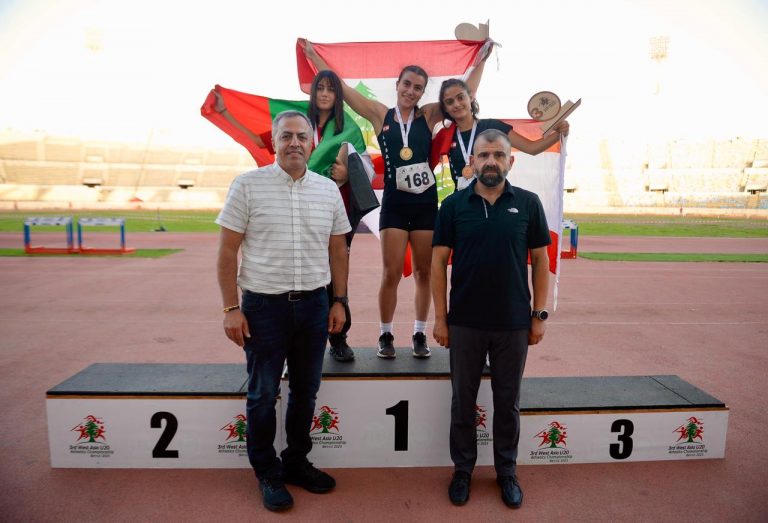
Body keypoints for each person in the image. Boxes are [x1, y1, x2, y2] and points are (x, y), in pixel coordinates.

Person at [301, 38, 491, 359]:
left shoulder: (428, 115)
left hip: (425, 203)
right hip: (395, 204)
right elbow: (343, 89)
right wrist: (314, 57)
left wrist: (481, 61)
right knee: (390, 273)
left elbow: (465, 93)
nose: (411, 91)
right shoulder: (380, 114)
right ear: (398, 85)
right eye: (407, 84)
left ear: (422, 92)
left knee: (423, 273)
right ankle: (385, 334)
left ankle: (418, 333)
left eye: (418, 87)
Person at [216, 110, 351, 512]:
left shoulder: (328, 190)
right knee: (262, 394)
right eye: (286, 136)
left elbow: (338, 250)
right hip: (263, 308)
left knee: (306, 391)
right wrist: (231, 308)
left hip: (314, 306)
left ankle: (295, 461)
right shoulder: (247, 185)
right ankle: (267, 472)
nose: (294, 142)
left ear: (312, 143)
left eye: (301, 136)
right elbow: (227, 251)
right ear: (274, 142)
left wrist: (339, 300)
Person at [210, 71, 375, 363]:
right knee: (295, 266)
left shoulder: (347, 126)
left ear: (338, 95)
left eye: (331, 89)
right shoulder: (295, 121)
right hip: (290, 197)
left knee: (335, 267)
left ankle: (338, 338)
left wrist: (347, 172)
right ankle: (284, 336)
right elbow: (260, 141)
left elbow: (363, 165)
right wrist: (226, 114)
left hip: (330, 202)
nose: (325, 94)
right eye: (320, 88)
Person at [431, 129, 551, 508]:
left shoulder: (528, 203)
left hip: (513, 323)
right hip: (465, 322)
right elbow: (437, 263)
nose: (491, 162)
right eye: (484, 155)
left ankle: (507, 472)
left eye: (499, 155)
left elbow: (541, 262)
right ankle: (463, 470)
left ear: (510, 161)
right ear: (473, 161)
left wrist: (539, 315)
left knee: (508, 402)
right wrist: (441, 319)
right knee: (462, 401)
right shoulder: (453, 205)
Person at [437, 78, 569, 190]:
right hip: (462, 203)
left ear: (470, 98)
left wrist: (559, 134)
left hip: (494, 199)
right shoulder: (445, 136)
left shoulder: (493, 126)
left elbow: (532, 148)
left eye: (460, 97)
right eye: (449, 102)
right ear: (445, 108)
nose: (456, 104)